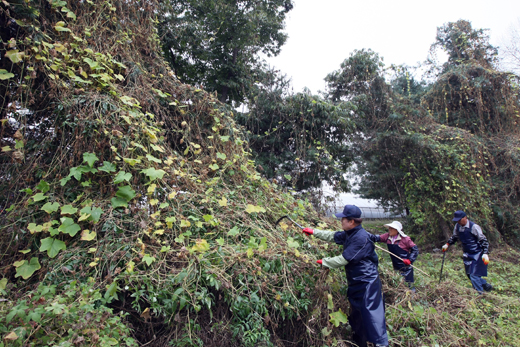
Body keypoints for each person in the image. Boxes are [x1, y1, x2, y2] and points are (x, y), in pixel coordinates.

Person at [302, 205, 388, 347]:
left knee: (372, 317)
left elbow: (343, 259)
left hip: (368, 283)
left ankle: (381, 344)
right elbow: (332, 236)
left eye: (343, 219)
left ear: (351, 221)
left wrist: (324, 262)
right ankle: (360, 343)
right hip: (355, 282)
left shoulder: (361, 238)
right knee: (357, 316)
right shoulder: (350, 233)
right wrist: (313, 232)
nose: (341, 221)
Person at [441, 210, 492, 294]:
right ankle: (484, 284)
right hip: (467, 253)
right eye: (457, 220)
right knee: (469, 274)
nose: (458, 222)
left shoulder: (474, 227)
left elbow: (483, 240)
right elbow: (455, 237)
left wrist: (485, 253)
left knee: (474, 275)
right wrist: (447, 244)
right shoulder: (457, 226)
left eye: (460, 220)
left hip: (477, 253)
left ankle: (480, 295)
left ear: (465, 218)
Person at [371, 221, 419, 292]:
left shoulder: (405, 239)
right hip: (396, 265)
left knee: (408, 284)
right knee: (399, 285)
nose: (389, 230)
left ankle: (412, 297)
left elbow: (415, 250)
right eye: (389, 228)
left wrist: (410, 260)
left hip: (406, 266)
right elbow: (375, 238)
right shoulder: (387, 236)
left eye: (392, 229)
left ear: (397, 230)